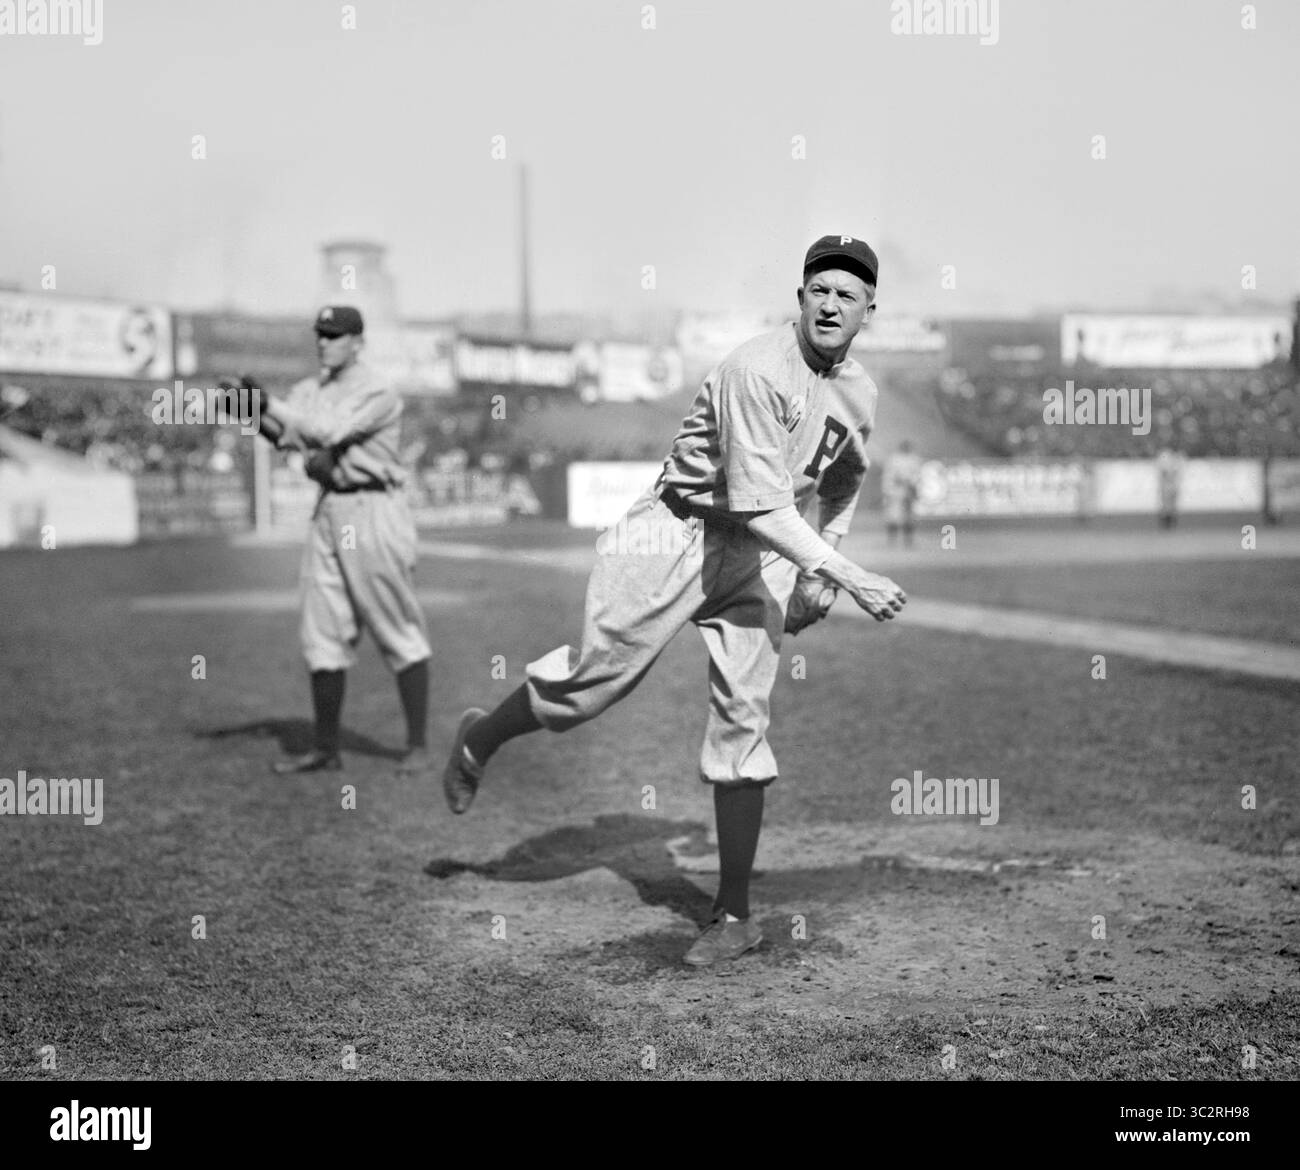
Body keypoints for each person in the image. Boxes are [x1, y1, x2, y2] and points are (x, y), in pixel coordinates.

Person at [440, 236, 907, 966]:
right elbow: (759, 507)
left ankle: (733, 917)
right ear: (800, 297)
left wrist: (820, 566)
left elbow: (844, 477)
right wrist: (845, 573)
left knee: (745, 718)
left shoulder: (861, 391)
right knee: (589, 688)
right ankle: (480, 737)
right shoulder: (758, 369)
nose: (831, 303)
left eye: (848, 294)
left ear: (869, 311)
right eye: (819, 289)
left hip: (758, 556)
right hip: (675, 536)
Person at [252, 306, 434, 775]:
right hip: (331, 508)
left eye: (334, 335)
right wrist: (250, 411)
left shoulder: (377, 390)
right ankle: (326, 748)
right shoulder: (308, 390)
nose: (324, 342)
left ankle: (417, 744)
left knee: (396, 625)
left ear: (358, 341)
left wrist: (268, 404)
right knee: (321, 629)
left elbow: (327, 431)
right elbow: (289, 439)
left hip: (374, 508)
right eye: (320, 334)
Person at [882, 438, 923, 546]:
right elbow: (889, 476)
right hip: (896, 490)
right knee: (893, 515)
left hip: (909, 490)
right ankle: (892, 540)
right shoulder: (894, 459)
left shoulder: (914, 459)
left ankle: (908, 540)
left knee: (909, 517)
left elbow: (917, 476)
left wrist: (914, 487)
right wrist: (888, 490)